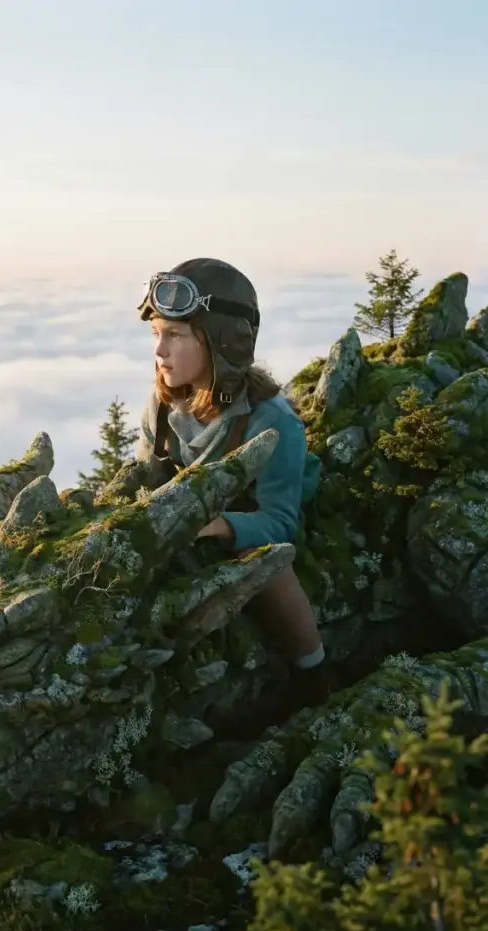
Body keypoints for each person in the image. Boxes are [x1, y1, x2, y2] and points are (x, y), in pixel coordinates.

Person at [135, 257, 332, 705]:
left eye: (176, 335)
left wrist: (217, 525)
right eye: (156, 334)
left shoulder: (273, 422)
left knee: (265, 565)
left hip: (250, 514)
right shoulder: (163, 407)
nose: (159, 350)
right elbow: (144, 480)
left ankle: (313, 669)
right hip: (195, 509)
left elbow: (281, 522)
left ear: (224, 341)